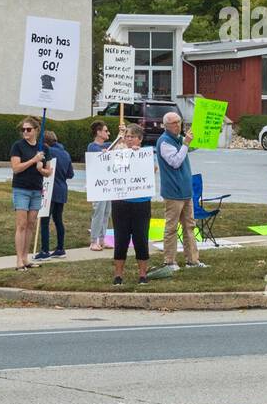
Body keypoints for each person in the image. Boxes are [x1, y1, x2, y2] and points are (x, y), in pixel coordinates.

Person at [157, 111, 205, 271]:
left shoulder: (177, 139)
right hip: (173, 192)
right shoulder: (164, 142)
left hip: (185, 191)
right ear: (166, 126)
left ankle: (193, 260)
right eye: (174, 123)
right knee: (171, 228)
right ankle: (169, 261)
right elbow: (175, 162)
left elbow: (189, 148)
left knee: (190, 226)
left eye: (179, 121)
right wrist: (186, 144)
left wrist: (204, 135)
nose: (178, 125)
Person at [9, 116, 52, 271]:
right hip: (21, 189)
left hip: (36, 189)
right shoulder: (18, 146)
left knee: (31, 224)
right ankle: (19, 260)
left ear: (36, 131)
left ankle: (26, 258)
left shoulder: (44, 149)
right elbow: (16, 168)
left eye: (28, 129)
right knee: (21, 224)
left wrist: (41, 169)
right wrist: (33, 160)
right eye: (23, 129)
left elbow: (48, 172)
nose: (25, 132)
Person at [111, 123, 151, 285]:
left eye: (132, 136)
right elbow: (107, 165)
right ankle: (118, 275)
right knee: (121, 238)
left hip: (141, 202)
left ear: (139, 139)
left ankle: (142, 274)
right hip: (120, 202)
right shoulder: (118, 153)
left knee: (141, 238)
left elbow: (152, 170)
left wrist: (138, 155)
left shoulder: (145, 154)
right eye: (127, 136)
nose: (129, 139)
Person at [36, 129, 74, 260]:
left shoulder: (47, 152)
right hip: (62, 189)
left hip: (49, 189)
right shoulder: (66, 154)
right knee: (58, 220)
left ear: (44, 143)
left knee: (44, 220)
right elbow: (70, 174)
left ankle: (45, 250)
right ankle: (60, 248)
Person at [86, 120, 112, 250]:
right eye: (106, 131)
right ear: (98, 132)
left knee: (107, 212)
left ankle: (102, 239)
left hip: (107, 185)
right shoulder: (93, 146)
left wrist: (122, 132)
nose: (108, 133)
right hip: (97, 186)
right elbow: (100, 152)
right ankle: (93, 241)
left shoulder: (107, 145)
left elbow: (117, 144)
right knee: (98, 212)